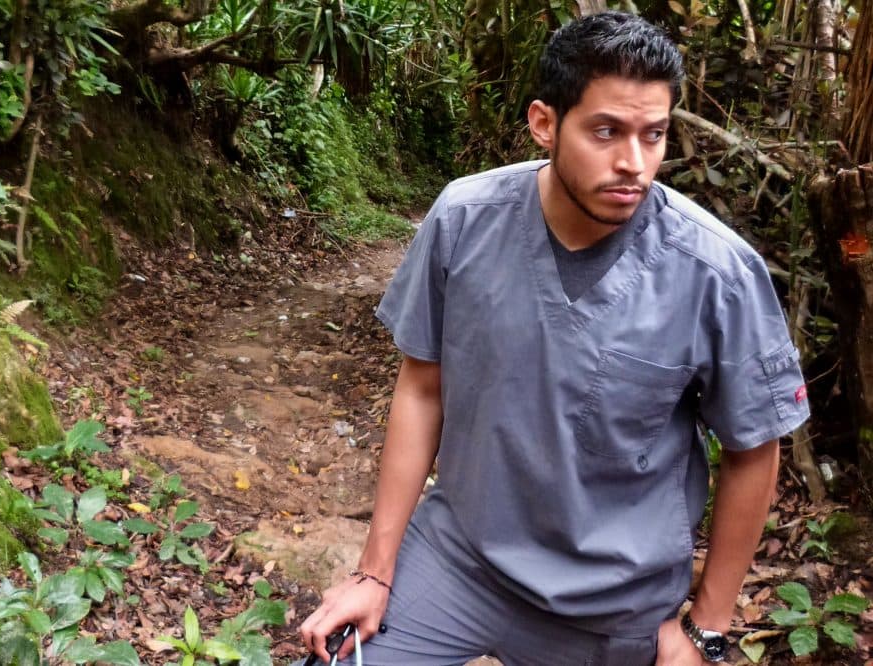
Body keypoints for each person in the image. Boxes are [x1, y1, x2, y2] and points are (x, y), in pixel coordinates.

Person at [298, 10, 810, 666]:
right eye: (606, 131)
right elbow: (423, 389)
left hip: (610, 604)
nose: (633, 163)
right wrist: (373, 572)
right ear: (545, 122)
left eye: (654, 135)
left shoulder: (716, 272)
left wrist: (705, 629)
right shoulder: (465, 221)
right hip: (463, 559)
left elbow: (753, 449)